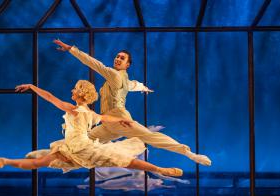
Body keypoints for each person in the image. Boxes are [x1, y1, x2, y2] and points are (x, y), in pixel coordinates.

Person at [52, 39, 211, 166]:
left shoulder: (114, 75)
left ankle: (189, 153)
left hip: (120, 119)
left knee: (150, 136)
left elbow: (93, 63)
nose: (118, 58)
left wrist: (71, 49)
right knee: (82, 141)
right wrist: (144, 87)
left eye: (122, 58)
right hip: (108, 123)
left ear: (127, 65)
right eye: (117, 56)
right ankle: (56, 159)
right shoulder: (122, 78)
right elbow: (132, 85)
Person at [0, 80, 183, 176]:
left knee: (124, 160)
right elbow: (105, 117)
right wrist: (119, 121)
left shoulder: (75, 110)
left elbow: (50, 97)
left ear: (80, 94)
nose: (71, 91)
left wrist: (32, 87)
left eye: (74, 89)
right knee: (125, 161)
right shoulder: (89, 113)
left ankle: (7, 161)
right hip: (73, 148)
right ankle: (4, 160)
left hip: (77, 147)